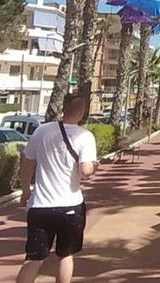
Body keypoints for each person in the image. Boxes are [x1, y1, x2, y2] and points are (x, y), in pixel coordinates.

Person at [17, 94, 98, 283]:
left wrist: (25, 190)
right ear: (82, 112)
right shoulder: (85, 136)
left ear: (64, 108)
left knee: (34, 258)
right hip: (70, 206)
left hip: (40, 206)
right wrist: (95, 166)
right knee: (66, 255)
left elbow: (27, 164)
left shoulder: (41, 131)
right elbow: (86, 171)